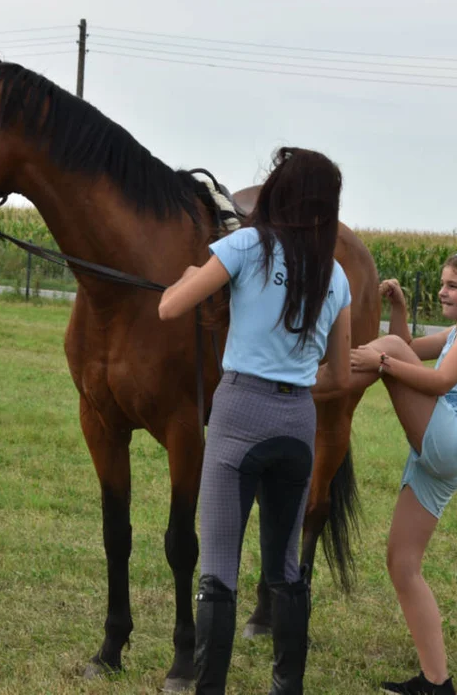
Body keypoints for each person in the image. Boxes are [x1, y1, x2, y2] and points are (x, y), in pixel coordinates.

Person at [158, 147, 353, 694]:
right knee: (285, 569)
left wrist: (187, 278)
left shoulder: (246, 244)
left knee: (219, 568)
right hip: (297, 423)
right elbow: (338, 377)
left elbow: (169, 308)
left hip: (239, 414)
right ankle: (286, 687)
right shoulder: (334, 275)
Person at [347, 251, 457, 695]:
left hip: (451, 438)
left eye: (453, 286)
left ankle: (315, 378)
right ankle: (437, 683)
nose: (443, 291)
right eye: (442, 284)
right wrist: (398, 310)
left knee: (387, 355)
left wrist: (380, 364)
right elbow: (408, 348)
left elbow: (435, 382)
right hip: (442, 454)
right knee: (402, 565)